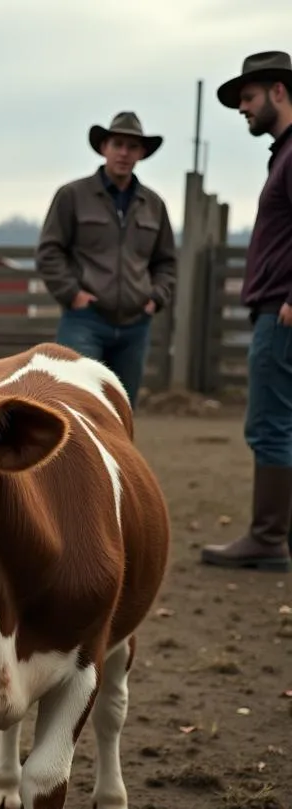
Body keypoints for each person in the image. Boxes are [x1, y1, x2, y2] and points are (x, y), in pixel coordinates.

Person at [201, 52, 292, 572]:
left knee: (270, 426)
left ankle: (267, 537)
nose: (244, 109)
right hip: (276, 309)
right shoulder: (282, 154)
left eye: (249, 99)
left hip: (280, 314)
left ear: (278, 91)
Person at [36, 111, 178, 408]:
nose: (124, 153)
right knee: (76, 404)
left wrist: (156, 297)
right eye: (118, 144)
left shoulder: (153, 205)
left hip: (135, 323)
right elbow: (50, 251)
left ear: (141, 153)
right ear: (104, 148)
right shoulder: (72, 196)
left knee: (122, 410)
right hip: (85, 319)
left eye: (132, 146)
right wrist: (72, 294)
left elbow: (165, 262)